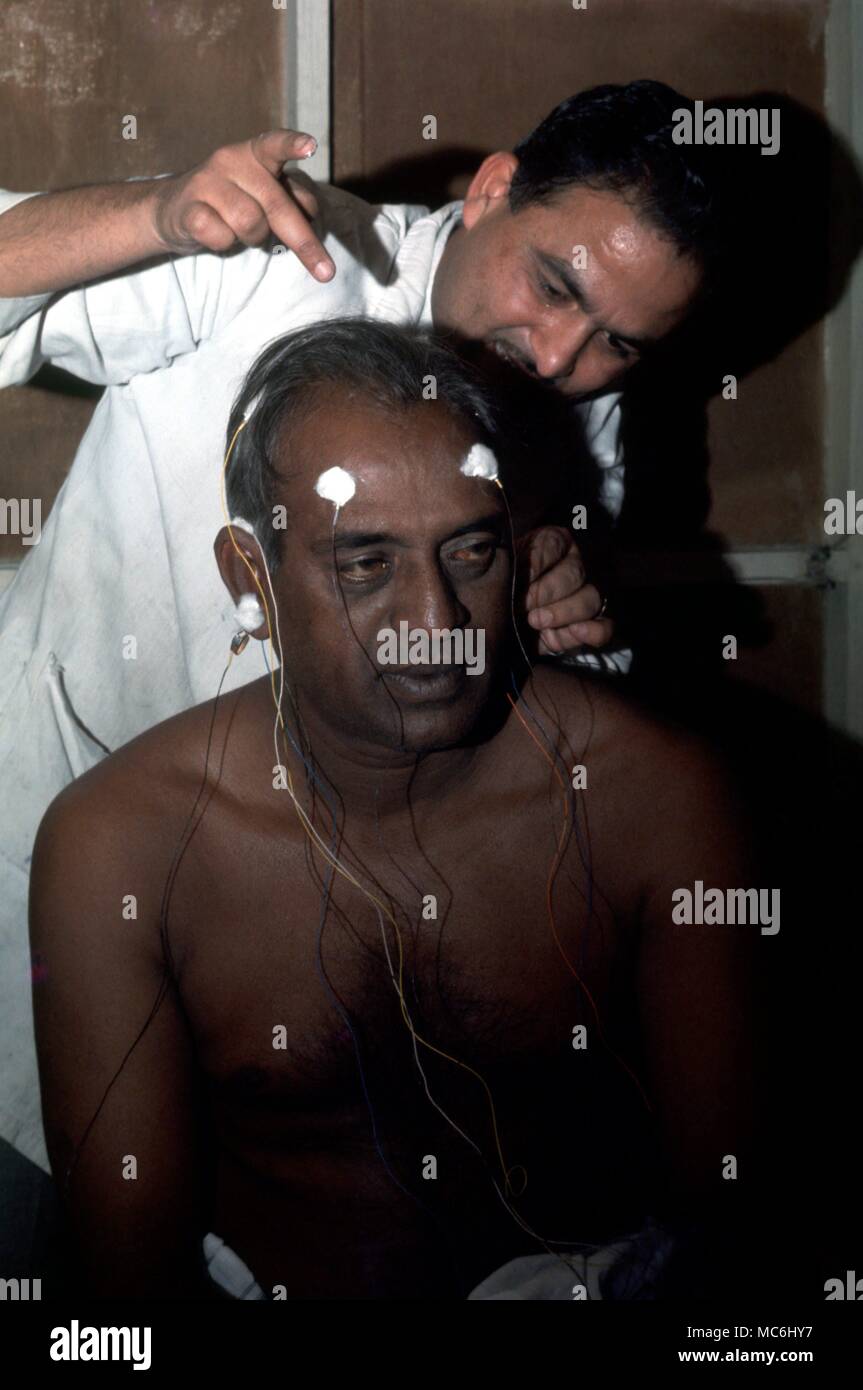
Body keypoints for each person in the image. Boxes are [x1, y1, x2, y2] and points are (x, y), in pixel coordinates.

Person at [1, 80, 718, 1167]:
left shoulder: (581, 426)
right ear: (490, 191)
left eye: (618, 342)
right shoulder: (280, 255)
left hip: (297, 974)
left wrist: (559, 614)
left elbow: (556, 740)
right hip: (37, 872)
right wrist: (153, 214)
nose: (562, 359)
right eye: (552, 283)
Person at [30, 321, 754, 1300]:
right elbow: (128, 1284)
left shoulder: (651, 796)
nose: (436, 623)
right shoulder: (123, 846)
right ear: (249, 577)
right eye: (364, 564)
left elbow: (728, 1221)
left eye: (469, 552)